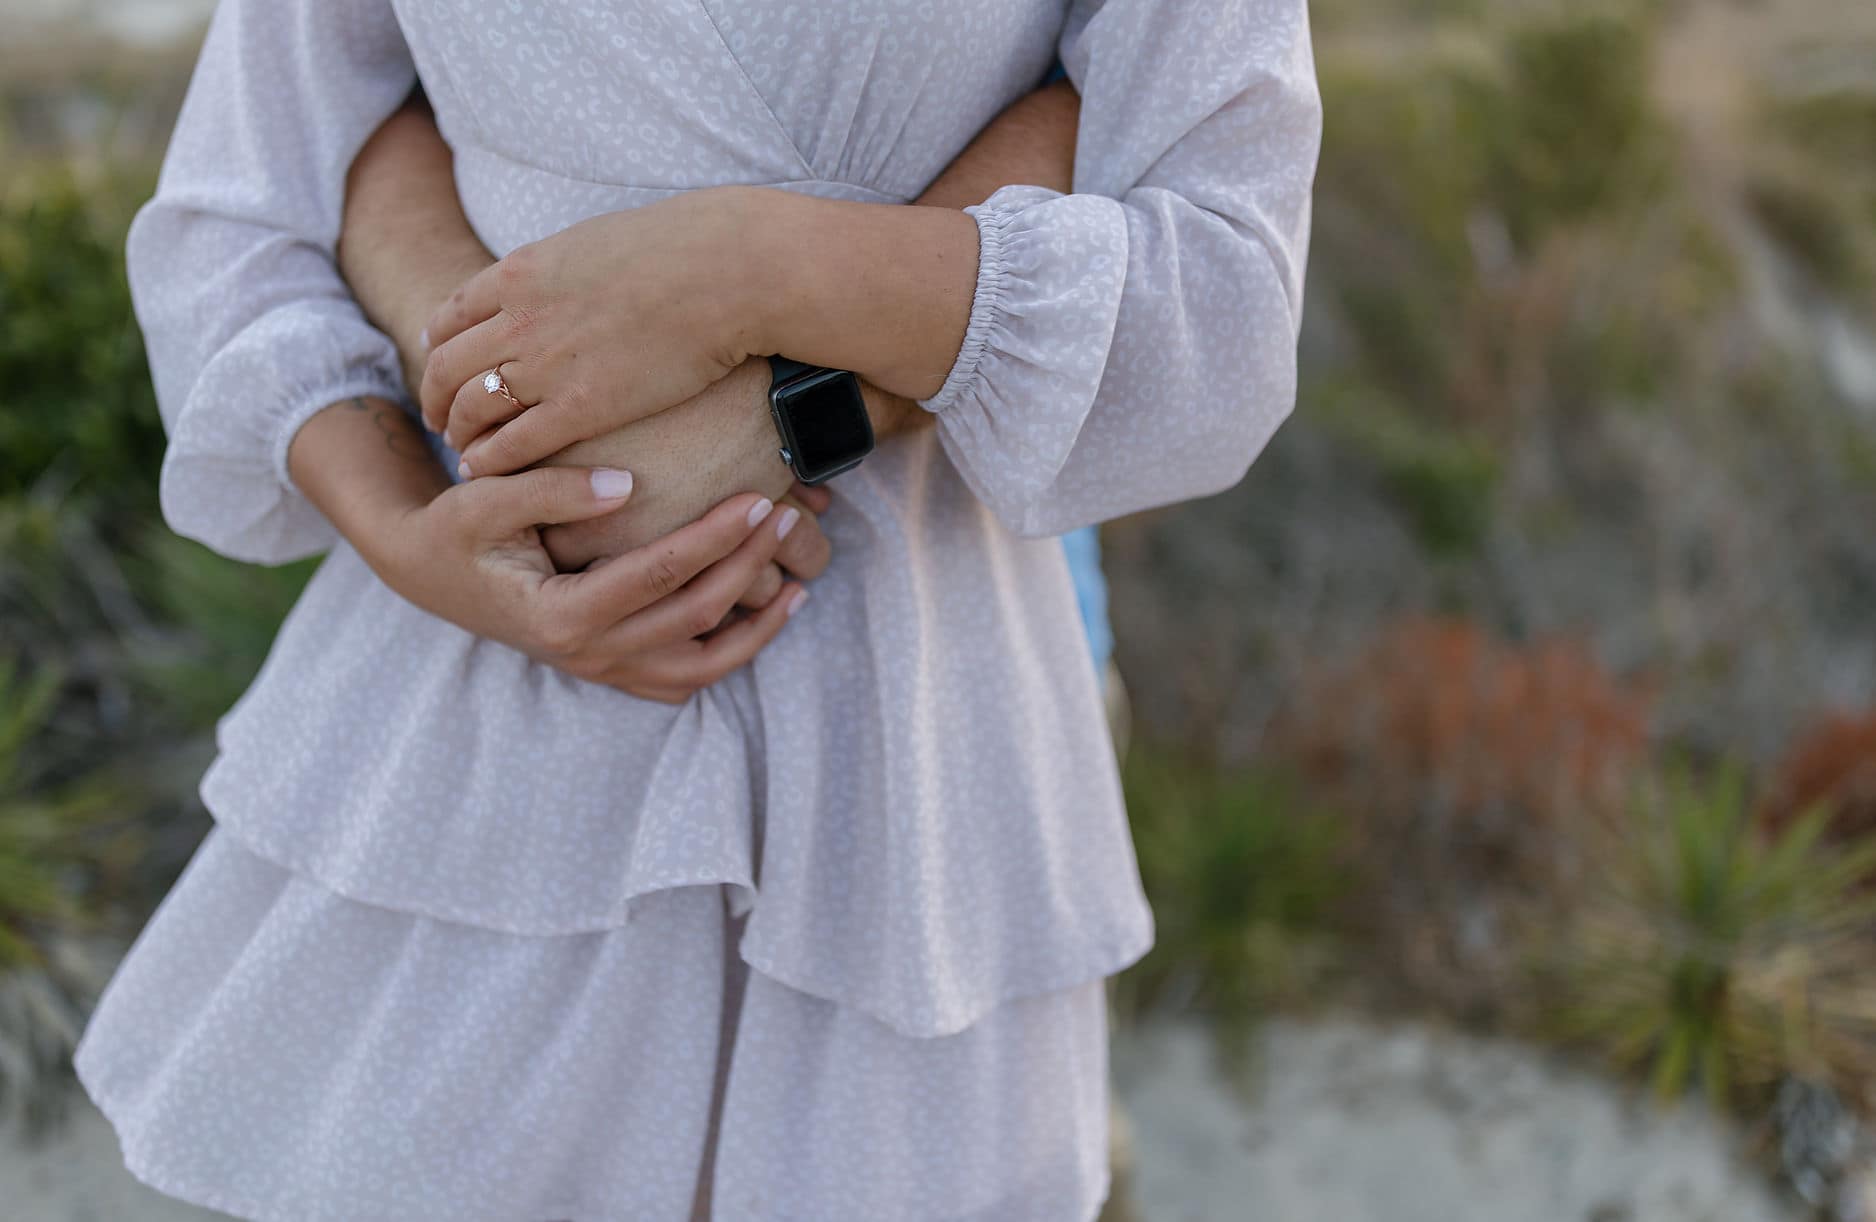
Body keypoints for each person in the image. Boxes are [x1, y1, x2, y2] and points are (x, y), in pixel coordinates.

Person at [72, 2, 1320, 1219]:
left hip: (909, 766)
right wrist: (411, 528)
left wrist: (752, 274)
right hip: (475, 756)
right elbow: (253, 197)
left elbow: (1217, 289)